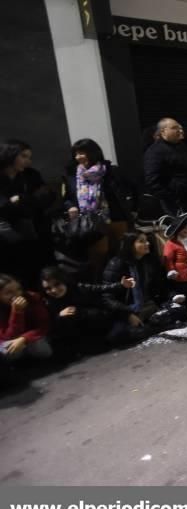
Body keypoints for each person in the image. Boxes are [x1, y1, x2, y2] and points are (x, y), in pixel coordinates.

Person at [59, 139, 134, 280]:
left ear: (93, 153)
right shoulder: (71, 175)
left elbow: (129, 189)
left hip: (116, 217)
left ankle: (127, 286)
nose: (78, 157)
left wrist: (130, 205)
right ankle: (102, 287)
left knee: (122, 253)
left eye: (81, 153)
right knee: (98, 255)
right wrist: (71, 207)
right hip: (90, 223)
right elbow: (66, 198)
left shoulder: (110, 171)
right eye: (76, 154)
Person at [102, 232, 187, 341]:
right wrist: (128, 315)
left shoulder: (149, 261)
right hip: (128, 310)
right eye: (141, 241)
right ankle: (155, 327)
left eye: (146, 240)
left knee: (181, 310)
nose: (147, 243)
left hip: (149, 306)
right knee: (118, 334)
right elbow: (107, 298)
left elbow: (160, 286)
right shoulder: (116, 264)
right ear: (130, 245)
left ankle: (150, 326)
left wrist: (173, 296)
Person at [40, 266, 134, 357]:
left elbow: (102, 289)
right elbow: (50, 330)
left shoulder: (79, 288)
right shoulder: (49, 303)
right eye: (48, 288)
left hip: (102, 324)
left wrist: (120, 286)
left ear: (64, 280)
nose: (54, 290)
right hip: (83, 338)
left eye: (57, 284)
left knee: (119, 334)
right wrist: (59, 317)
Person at [0, 139, 56, 288]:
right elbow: (4, 208)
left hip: (35, 235)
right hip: (8, 240)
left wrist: (22, 199)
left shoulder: (31, 175)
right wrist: (14, 204)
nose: (28, 161)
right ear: (10, 155)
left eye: (29, 157)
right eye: (23, 156)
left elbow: (46, 196)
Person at [143, 118, 187, 217]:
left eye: (180, 128)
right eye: (174, 128)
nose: (179, 131)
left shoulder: (182, 146)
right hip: (174, 203)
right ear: (163, 131)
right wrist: (171, 197)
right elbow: (152, 181)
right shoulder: (155, 151)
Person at [0, 273, 52, 365]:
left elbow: (43, 325)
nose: (17, 294)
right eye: (9, 293)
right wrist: (17, 312)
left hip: (32, 337)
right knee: (7, 350)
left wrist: (24, 338)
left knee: (40, 349)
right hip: (11, 339)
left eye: (18, 289)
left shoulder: (32, 298)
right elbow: (7, 336)